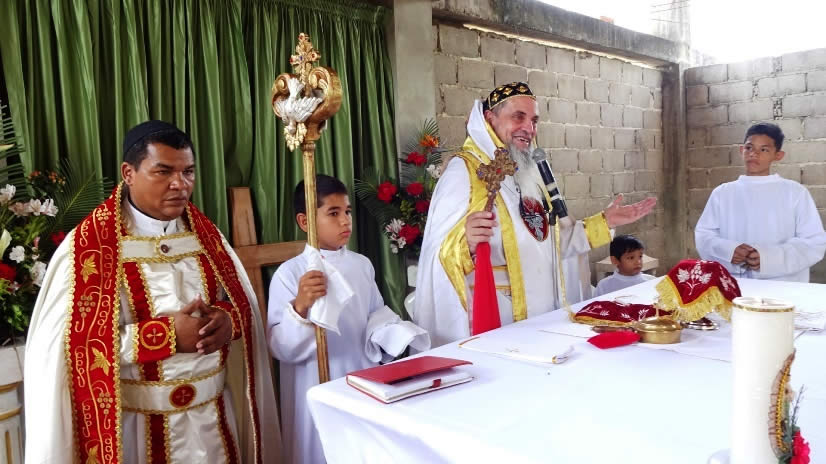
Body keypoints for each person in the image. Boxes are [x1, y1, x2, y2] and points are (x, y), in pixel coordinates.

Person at [24, 121, 281, 463]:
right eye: (163, 171)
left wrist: (227, 322)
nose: (180, 184)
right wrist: (165, 336)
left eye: (188, 172)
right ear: (128, 173)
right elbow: (68, 350)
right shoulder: (89, 249)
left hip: (213, 424)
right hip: (136, 431)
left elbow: (238, 306)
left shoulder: (207, 237)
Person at [414, 82, 657, 347]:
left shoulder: (530, 174)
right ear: (490, 118)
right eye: (518, 117)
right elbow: (435, 258)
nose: (529, 128)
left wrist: (604, 222)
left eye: (534, 121)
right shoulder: (464, 172)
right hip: (500, 322)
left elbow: (550, 247)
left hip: (545, 317)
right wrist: (466, 244)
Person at [267, 175, 430, 464]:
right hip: (315, 382)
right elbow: (281, 348)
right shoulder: (290, 274)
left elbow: (375, 317)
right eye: (333, 213)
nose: (345, 221)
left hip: (361, 379)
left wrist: (396, 335)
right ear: (305, 222)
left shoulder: (361, 265)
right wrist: (301, 306)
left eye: (347, 211)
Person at [695, 122, 826, 282]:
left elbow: (814, 243)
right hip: (734, 284)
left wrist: (768, 258)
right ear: (741, 150)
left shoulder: (795, 192)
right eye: (749, 147)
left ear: (778, 155)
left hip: (784, 285)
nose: (754, 154)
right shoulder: (722, 193)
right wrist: (728, 251)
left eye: (764, 149)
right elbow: (704, 236)